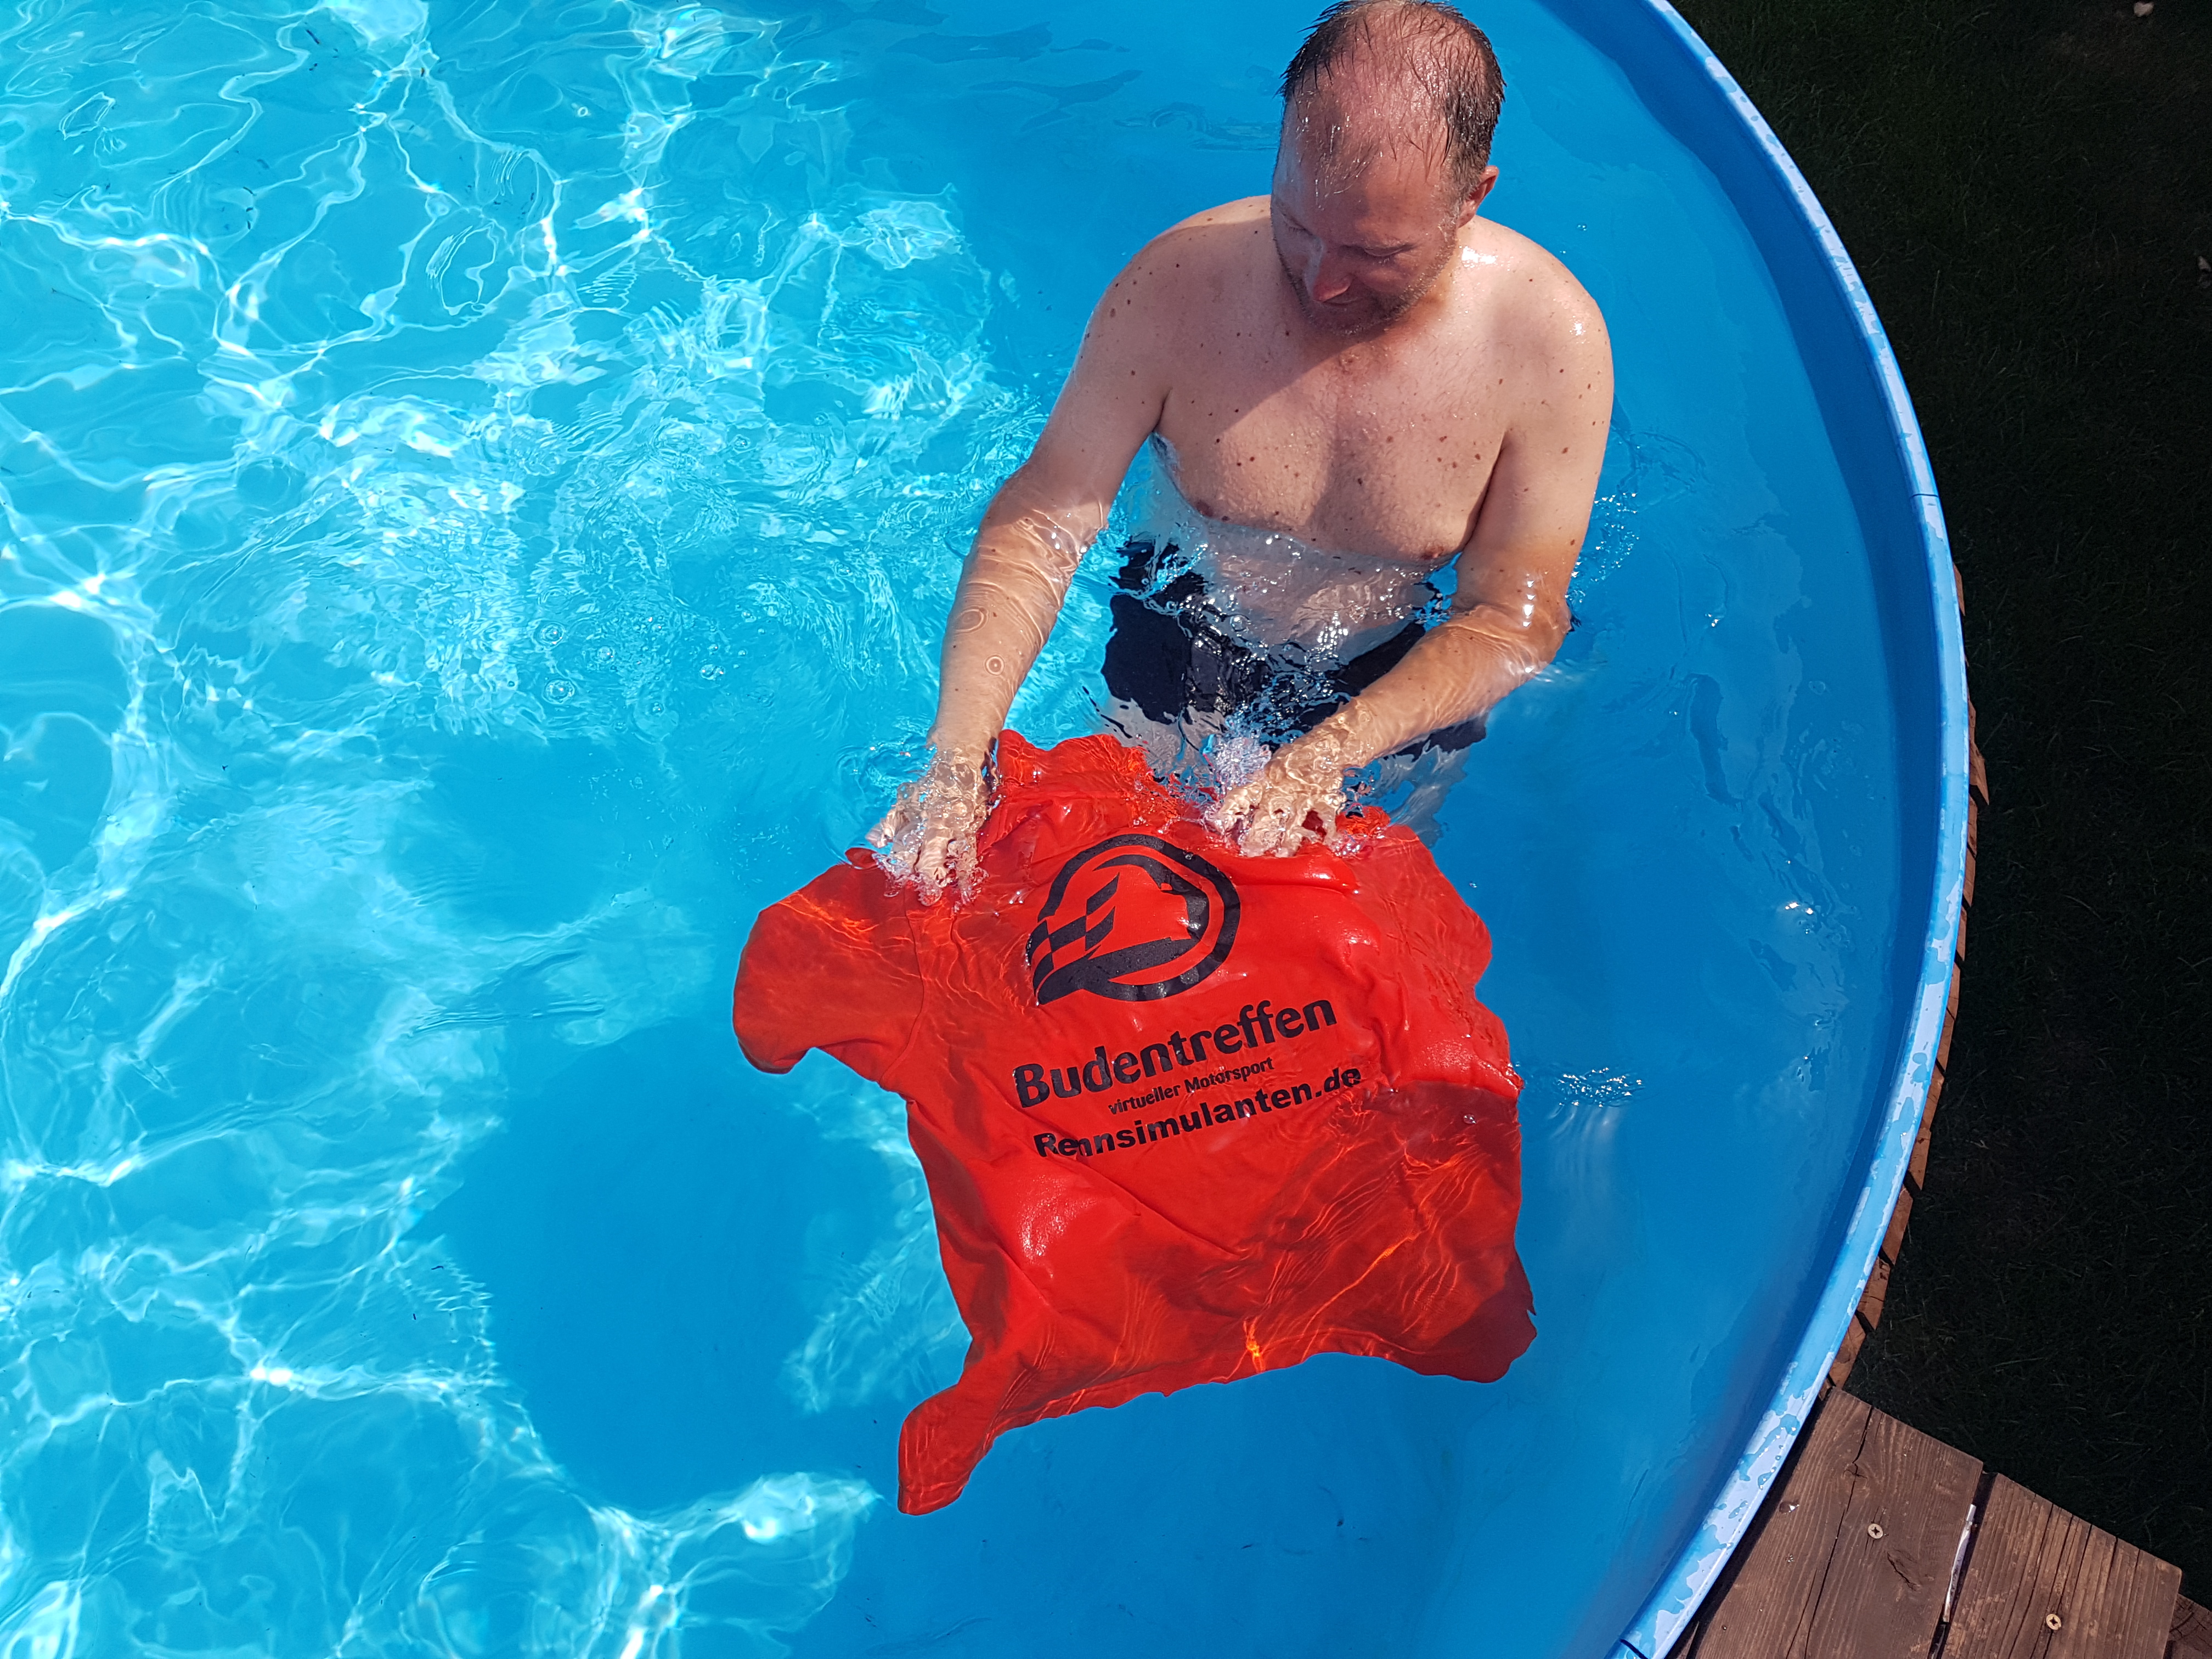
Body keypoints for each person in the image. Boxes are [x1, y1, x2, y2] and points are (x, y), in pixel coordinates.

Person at [872, 0, 1612, 896]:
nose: (1323, 281)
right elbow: (1044, 517)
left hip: (1398, 670)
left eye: (1375, 252)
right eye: (1295, 224)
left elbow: (1512, 617)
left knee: (1336, 923)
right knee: (1089, 897)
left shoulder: (1547, 344)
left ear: (1472, 199)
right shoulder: (1177, 287)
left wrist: (1331, 753)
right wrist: (958, 756)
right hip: (1182, 622)